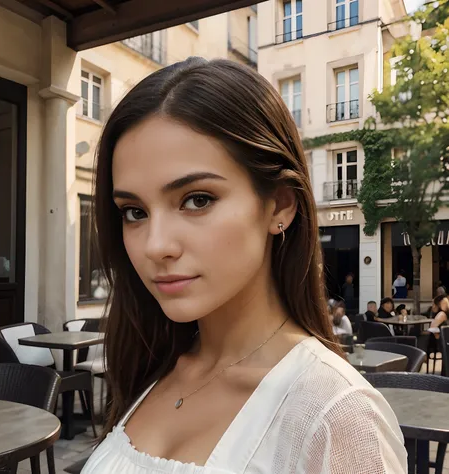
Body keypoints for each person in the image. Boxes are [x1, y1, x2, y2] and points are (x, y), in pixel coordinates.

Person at [82, 58, 406, 474]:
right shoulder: (151, 362)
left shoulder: (333, 416)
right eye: (133, 212)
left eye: (197, 199)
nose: (156, 245)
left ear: (280, 204)